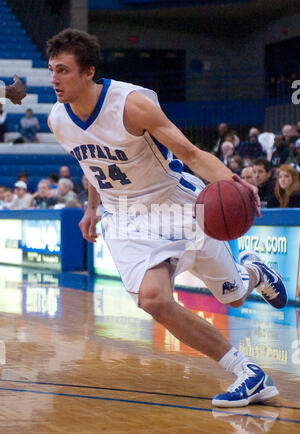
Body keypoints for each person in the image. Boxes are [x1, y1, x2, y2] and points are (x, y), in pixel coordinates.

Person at [46, 28, 287, 408]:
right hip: (125, 216)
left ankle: (253, 272)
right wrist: (92, 206)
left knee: (236, 296)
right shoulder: (57, 119)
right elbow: (90, 162)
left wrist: (235, 182)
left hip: (174, 203)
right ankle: (248, 373)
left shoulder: (132, 104)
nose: (54, 79)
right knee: (154, 299)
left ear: (89, 72)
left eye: (63, 70)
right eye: (51, 70)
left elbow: (190, 153)